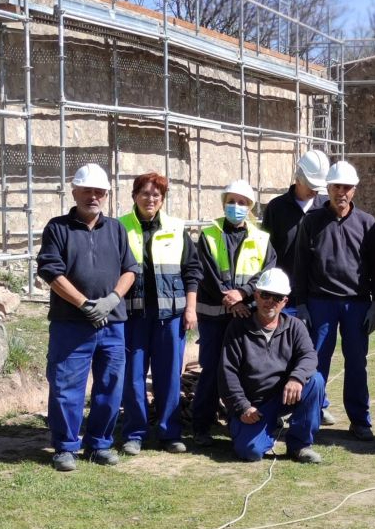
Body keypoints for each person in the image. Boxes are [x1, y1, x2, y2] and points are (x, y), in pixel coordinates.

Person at [37, 163, 139, 471]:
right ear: (75, 192)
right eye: (87, 191)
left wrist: (111, 300)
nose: (93, 197)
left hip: (112, 323)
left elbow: (130, 270)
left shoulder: (116, 229)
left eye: (99, 192)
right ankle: (66, 447)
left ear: (107, 195)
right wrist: (84, 304)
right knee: (67, 385)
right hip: (71, 324)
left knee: (110, 385)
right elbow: (51, 271)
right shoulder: (57, 228)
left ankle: (99, 443)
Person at [292, 160, 375, 440]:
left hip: (356, 304)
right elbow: (300, 266)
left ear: (354, 190)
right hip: (320, 303)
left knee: (357, 363)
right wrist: (303, 306)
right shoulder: (311, 222)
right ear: (328, 188)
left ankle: (360, 420)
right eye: (335, 186)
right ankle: (312, 416)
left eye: (346, 187)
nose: (341, 192)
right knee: (316, 363)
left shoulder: (367, 224)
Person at [118, 172, 202, 456]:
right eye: (144, 193)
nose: (150, 199)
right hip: (133, 316)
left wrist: (191, 308)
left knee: (169, 376)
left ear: (163, 199)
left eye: (156, 195)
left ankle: (169, 433)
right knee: (133, 376)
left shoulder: (177, 229)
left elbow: (192, 270)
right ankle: (134, 432)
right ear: (134, 196)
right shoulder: (119, 228)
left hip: (171, 316)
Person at [192, 179, 276, 447]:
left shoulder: (262, 239)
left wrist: (244, 293)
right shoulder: (209, 235)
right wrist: (230, 298)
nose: (236, 207)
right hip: (215, 317)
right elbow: (206, 272)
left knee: (244, 371)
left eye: (242, 203)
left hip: (245, 316)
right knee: (212, 370)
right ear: (224, 203)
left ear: (250, 207)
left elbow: (266, 272)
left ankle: (237, 420)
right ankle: (201, 425)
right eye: (232, 201)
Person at [219, 268, 325, 463]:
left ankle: (299, 445)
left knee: (315, 381)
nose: (270, 301)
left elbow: (309, 356)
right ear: (256, 295)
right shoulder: (238, 328)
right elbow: (227, 372)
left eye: (277, 297)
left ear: (285, 301)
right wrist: (242, 407)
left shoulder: (295, 326)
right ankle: (251, 429)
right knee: (250, 452)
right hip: (253, 405)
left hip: (283, 397)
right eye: (265, 295)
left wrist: (296, 377)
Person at [261, 149, 330, 305]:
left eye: (318, 187)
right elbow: (267, 251)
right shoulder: (276, 208)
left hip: (318, 294)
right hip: (283, 293)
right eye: (311, 186)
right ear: (298, 179)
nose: (314, 191)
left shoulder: (326, 208)